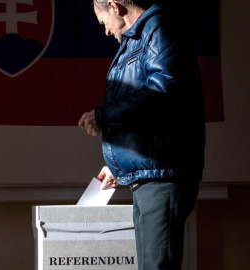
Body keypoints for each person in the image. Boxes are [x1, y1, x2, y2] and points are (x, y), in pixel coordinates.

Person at [78, 0, 205, 269]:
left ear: (114, 6)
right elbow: (148, 113)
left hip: (162, 175)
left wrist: (103, 116)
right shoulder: (140, 38)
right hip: (150, 174)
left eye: (103, 22)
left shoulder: (158, 29)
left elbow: (162, 92)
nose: (105, 31)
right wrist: (118, 163)